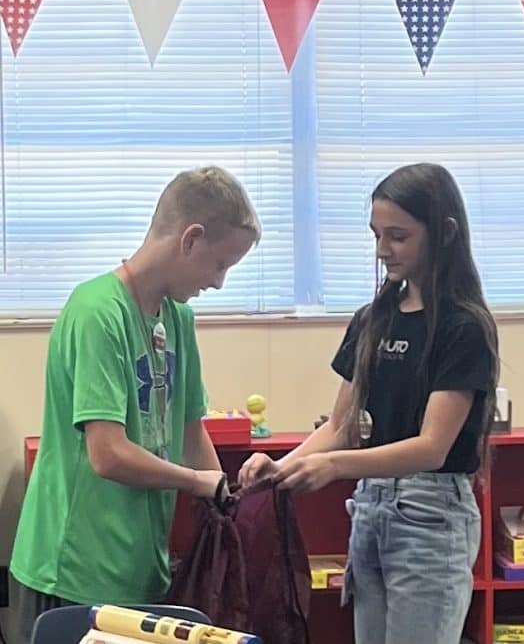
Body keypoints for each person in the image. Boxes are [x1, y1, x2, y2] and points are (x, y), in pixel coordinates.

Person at [239, 162, 499, 644]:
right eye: (377, 235)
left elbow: (431, 448)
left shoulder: (463, 327)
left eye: (398, 237)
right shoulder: (373, 318)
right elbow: (341, 426)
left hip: (430, 517)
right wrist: (281, 468)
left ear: (444, 233)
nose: (382, 250)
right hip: (371, 511)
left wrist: (335, 466)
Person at [9, 166, 261, 644]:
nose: (219, 283)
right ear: (190, 239)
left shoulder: (178, 319)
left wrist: (224, 498)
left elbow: (189, 431)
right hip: (72, 572)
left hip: (141, 568)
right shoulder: (97, 312)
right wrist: (196, 482)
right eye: (219, 265)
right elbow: (108, 454)